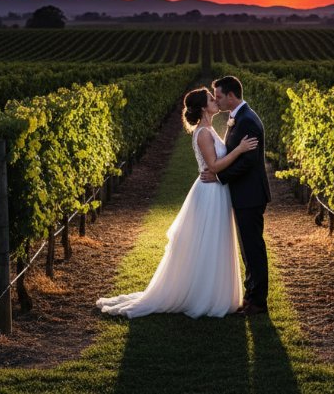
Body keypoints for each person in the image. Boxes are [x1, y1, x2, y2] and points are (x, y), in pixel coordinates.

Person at [95, 87, 258, 318]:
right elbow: (213, 166)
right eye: (212, 99)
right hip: (210, 192)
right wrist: (240, 150)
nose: (216, 102)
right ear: (203, 107)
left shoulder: (209, 128)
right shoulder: (203, 133)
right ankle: (205, 296)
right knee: (209, 242)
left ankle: (213, 293)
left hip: (216, 190)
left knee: (214, 242)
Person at [200, 75, 272, 316]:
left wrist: (220, 177)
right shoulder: (238, 118)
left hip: (250, 195)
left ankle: (258, 302)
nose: (217, 101)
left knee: (253, 249)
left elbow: (248, 162)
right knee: (248, 249)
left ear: (231, 96)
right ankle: (251, 297)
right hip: (245, 194)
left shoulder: (247, 121)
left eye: (219, 96)